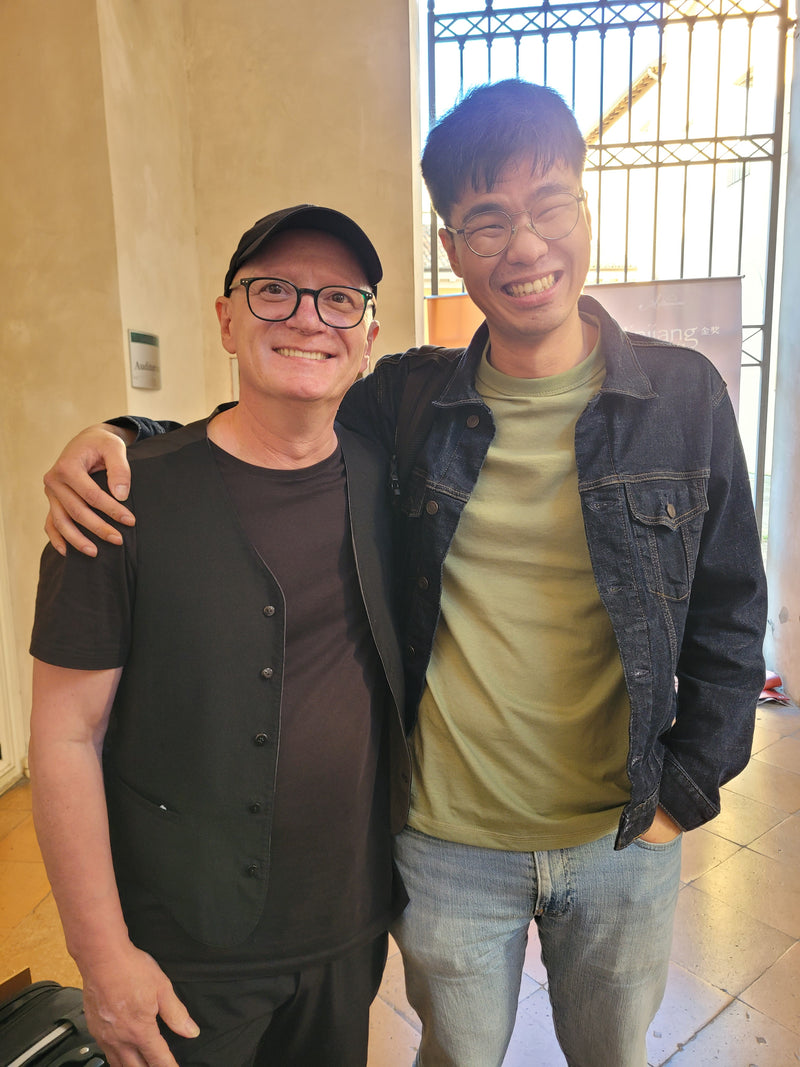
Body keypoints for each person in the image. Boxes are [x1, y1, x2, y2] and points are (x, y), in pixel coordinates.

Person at [41, 81, 768, 1067]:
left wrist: (686, 789)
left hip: (619, 836)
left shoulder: (680, 394)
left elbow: (730, 610)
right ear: (452, 243)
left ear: (582, 208)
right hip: (445, 842)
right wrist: (127, 435)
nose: (524, 245)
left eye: (549, 203)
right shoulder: (410, 400)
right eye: (485, 219)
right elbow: (275, 410)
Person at [29, 203, 411, 1067]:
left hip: (348, 930)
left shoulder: (392, 480)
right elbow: (63, 733)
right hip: (185, 952)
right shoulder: (120, 499)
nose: (308, 318)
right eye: (274, 291)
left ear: (368, 331)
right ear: (227, 318)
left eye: (339, 300)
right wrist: (102, 956)